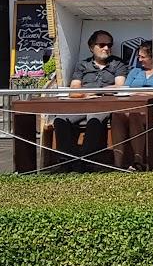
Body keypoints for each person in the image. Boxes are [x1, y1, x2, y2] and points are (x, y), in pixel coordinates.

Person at [52, 29, 127, 171]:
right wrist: (85, 95)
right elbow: (74, 88)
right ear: (91, 47)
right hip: (82, 102)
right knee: (60, 119)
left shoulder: (117, 64)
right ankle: (68, 159)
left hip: (105, 102)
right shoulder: (82, 65)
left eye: (109, 45)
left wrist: (93, 92)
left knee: (95, 118)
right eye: (102, 44)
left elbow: (119, 86)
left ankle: (86, 160)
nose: (106, 48)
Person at [113, 40, 153, 171]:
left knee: (135, 115)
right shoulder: (136, 71)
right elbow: (125, 89)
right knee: (117, 115)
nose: (139, 59)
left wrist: (137, 91)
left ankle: (138, 161)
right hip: (132, 105)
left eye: (142, 57)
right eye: (138, 56)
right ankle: (117, 164)